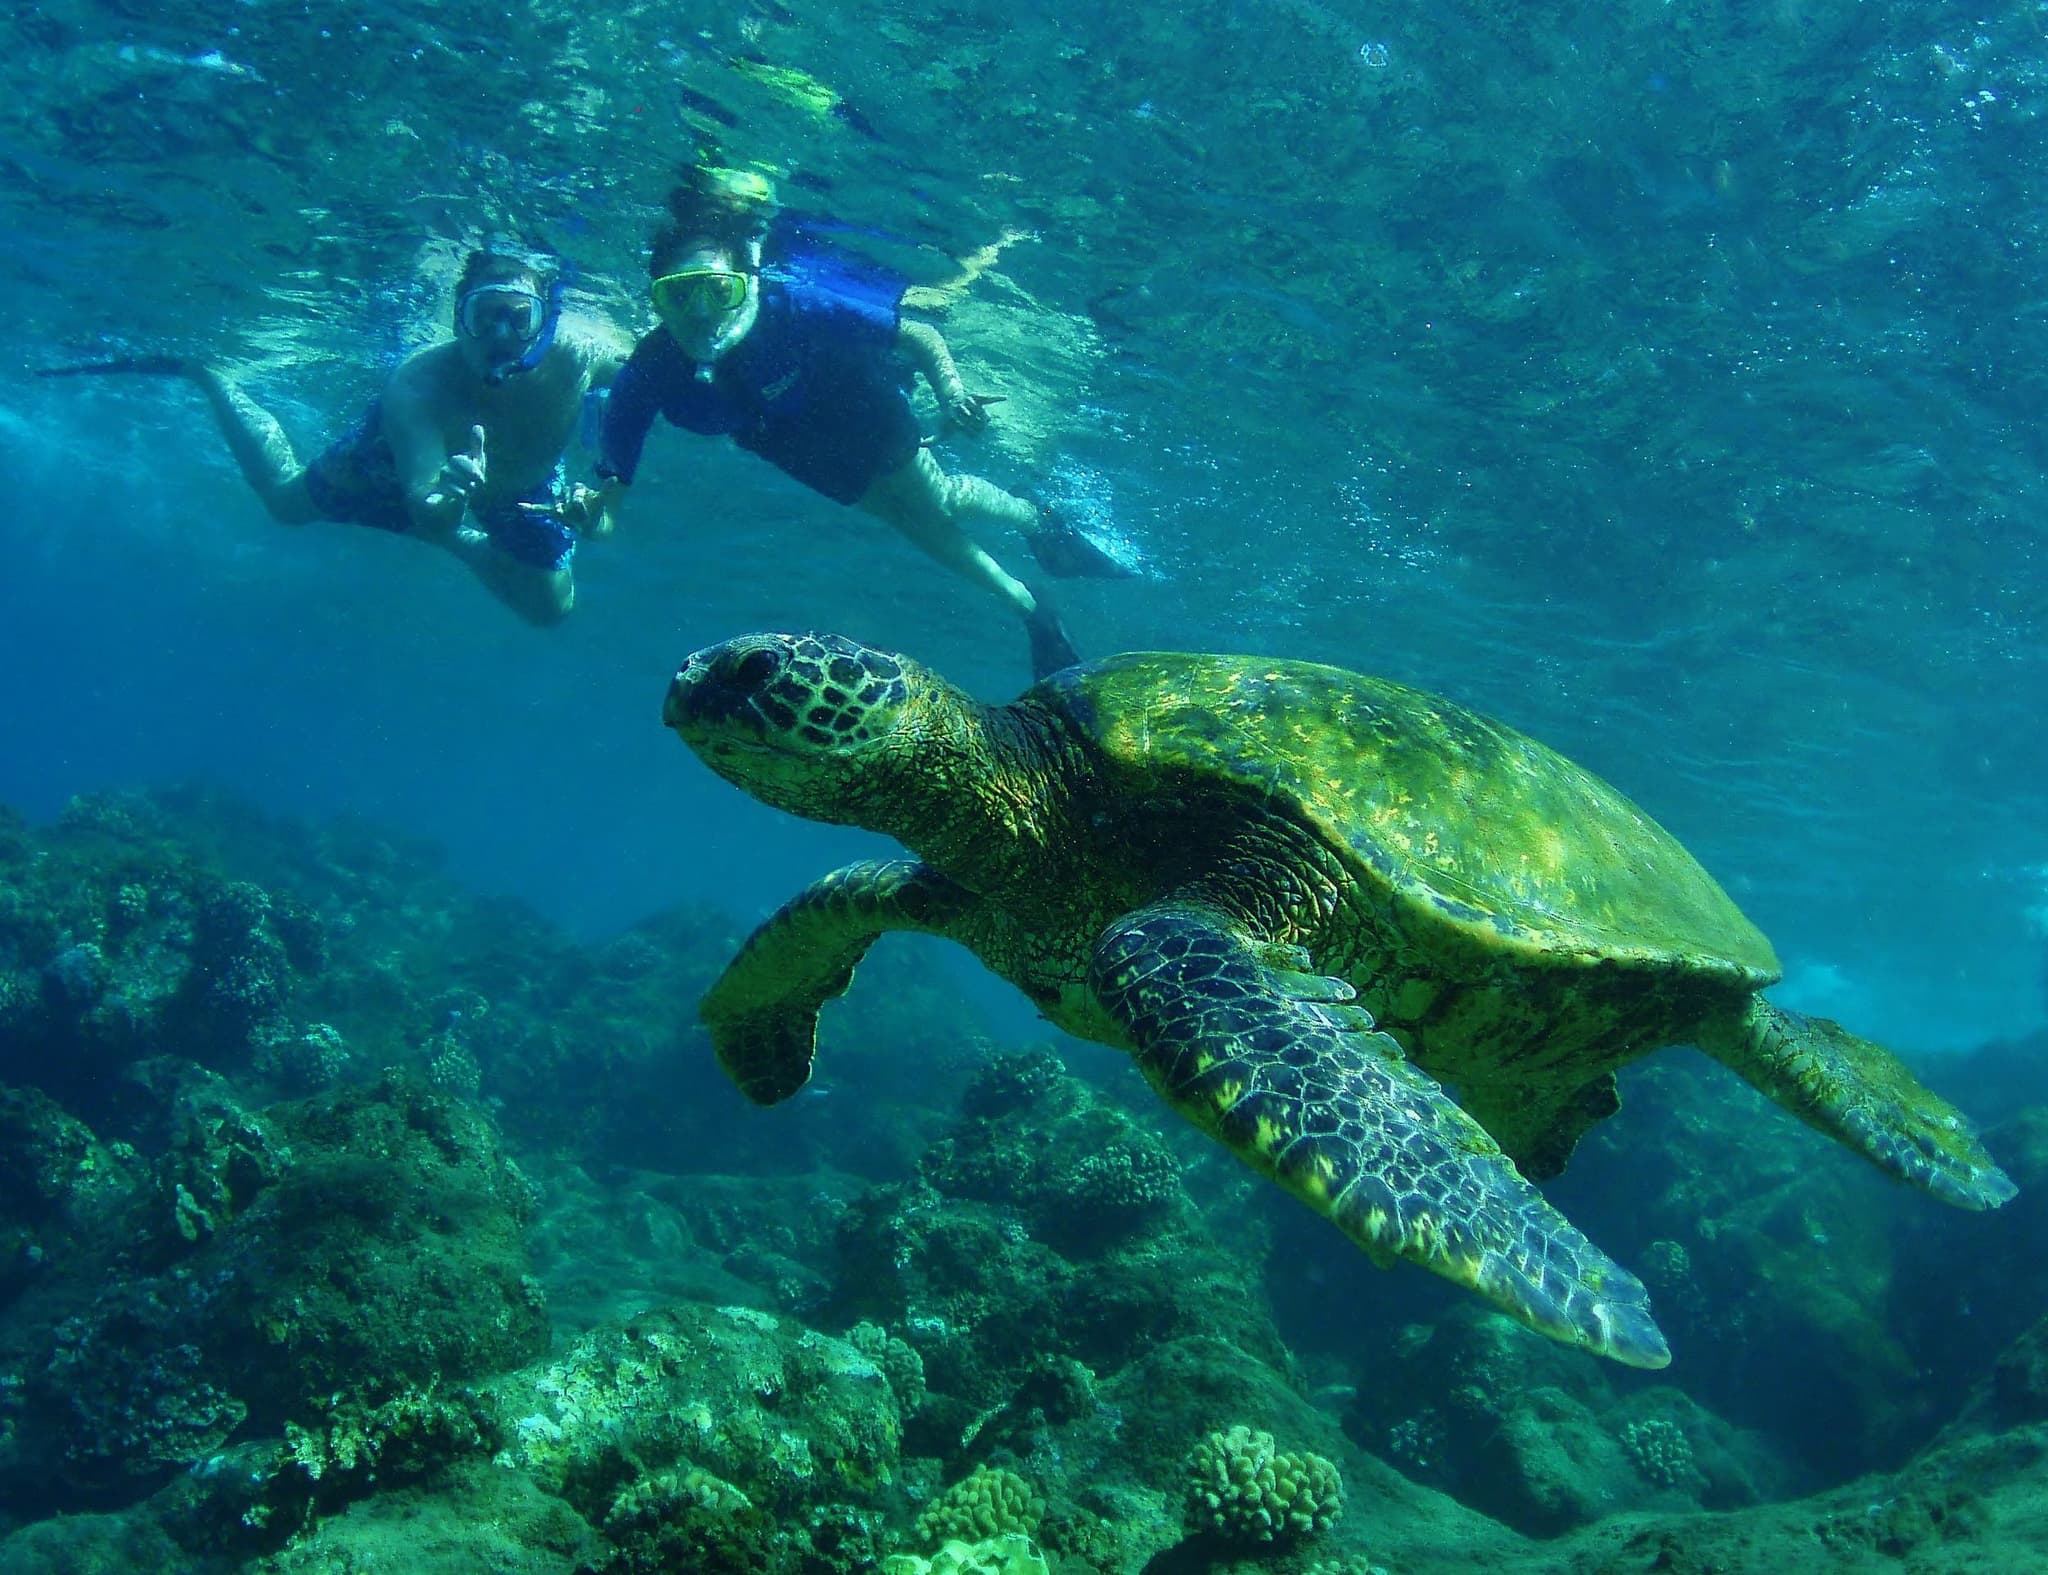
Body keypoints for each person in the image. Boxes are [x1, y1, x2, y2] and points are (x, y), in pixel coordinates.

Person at [597, 168, 1123, 679]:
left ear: (745, 281)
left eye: (718, 289)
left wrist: (951, 393)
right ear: (658, 300)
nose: (702, 311)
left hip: (855, 400)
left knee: (936, 501)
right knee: (908, 520)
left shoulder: (790, 305)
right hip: (786, 443)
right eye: (679, 294)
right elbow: (613, 476)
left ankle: (1039, 520)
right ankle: (1032, 609)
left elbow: (917, 333)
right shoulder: (652, 367)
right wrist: (594, 509)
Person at [37, 249, 628, 626]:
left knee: (551, 610)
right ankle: (209, 374)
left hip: (522, 485)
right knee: (288, 504)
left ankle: (467, 542)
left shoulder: (582, 354)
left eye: (518, 317)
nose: (499, 333)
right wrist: (448, 500)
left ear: (544, 322)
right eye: (482, 316)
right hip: (407, 470)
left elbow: (656, 368)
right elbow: (425, 501)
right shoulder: (416, 385)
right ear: (457, 320)